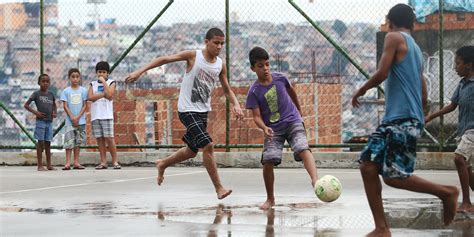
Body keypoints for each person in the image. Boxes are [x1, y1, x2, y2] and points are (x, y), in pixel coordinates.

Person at [351, 4, 459, 236]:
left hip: (402, 119)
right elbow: (422, 88)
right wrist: (421, 112)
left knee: (395, 177)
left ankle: (446, 192)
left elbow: (382, 72)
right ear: (413, 23)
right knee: (368, 166)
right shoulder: (415, 48)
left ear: (390, 21)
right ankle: (381, 228)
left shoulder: (393, 37)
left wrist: (360, 91)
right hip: (399, 118)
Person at [125, 27, 243, 199]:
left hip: (203, 111)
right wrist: (140, 71)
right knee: (208, 145)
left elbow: (227, 89)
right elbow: (164, 59)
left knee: (192, 150)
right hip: (187, 110)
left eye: (221, 44)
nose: (219, 47)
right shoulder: (194, 56)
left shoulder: (220, 65)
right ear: (206, 42)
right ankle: (219, 188)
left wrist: (236, 105)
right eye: (216, 43)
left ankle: (163, 164)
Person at [245, 46, 318, 210]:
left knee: (302, 147)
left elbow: (292, 92)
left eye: (267, 64)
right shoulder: (254, 91)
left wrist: (299, 111)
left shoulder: (280, 78)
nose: (265, 69)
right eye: (260, 66)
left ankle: (315, 180)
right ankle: (270, 199)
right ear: (252, 68)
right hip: (273, 129)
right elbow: (256, 117)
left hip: (292, 120)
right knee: (268, 160)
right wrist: (264, 128)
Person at [425, 45, 474, 213]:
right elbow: (452, 106)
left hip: (473, 131)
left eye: (458, 63)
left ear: (469, 64)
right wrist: (431, 116)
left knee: (459, 158)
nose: (455, 67)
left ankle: (466, 202)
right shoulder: (462, 84)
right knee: (468, 172)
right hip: (463, 130)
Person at [88, 61, 121, 170]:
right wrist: (103, 94)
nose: (101, 74)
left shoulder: (112, 82)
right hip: (96, 115)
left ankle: (115, 161)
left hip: (106, 115)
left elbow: (110, 95)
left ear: (107, 73)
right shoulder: (92, 84)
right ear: (96, 72)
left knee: (109, 139)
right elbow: (90, 97)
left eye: (104, 72)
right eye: (99, 72)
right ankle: (103, 162)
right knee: (100, 139)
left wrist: (104, 83)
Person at [24, 74, 57, 171]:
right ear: (39, 83)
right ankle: (40, 165)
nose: (45, 83)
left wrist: (54, 112)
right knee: (40, 143)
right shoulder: (36, 94)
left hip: (49, 122)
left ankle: (49, 165)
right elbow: (26, 105)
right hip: (40, 122)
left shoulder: (51, 94)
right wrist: (36, 113)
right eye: (43, 81)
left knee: (48, 143)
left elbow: (54, 105)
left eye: (47, 81)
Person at [60, 68, 88, 170]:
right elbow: (65, 105)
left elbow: (85, 105)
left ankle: (76, 162)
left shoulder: (83, 91)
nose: (75, 79)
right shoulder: (66, 91)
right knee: (69, 143)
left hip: (81, 121)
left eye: (77, 77)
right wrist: (72, 117)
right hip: (69, 122)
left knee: (78, 142)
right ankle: (67, 163)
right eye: (73, 77)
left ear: (79, 78)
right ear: (69, 78)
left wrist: (78, 117)